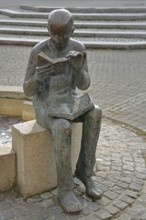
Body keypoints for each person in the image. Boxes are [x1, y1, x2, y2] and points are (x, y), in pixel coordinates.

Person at [23, 8, 103, 213]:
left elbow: (84, 85)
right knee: (62, 126)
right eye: (54, 34)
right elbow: (27, 90)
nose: (58, 39)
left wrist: (78, 68)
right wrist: (38, 78)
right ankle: (65, 189)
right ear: (48, 29)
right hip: (45, 105)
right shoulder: (37, 51)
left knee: (95, 112)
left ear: (72, 30)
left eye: (63, 34)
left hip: (68, 101)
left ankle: (85, 171)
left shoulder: (78, 48)